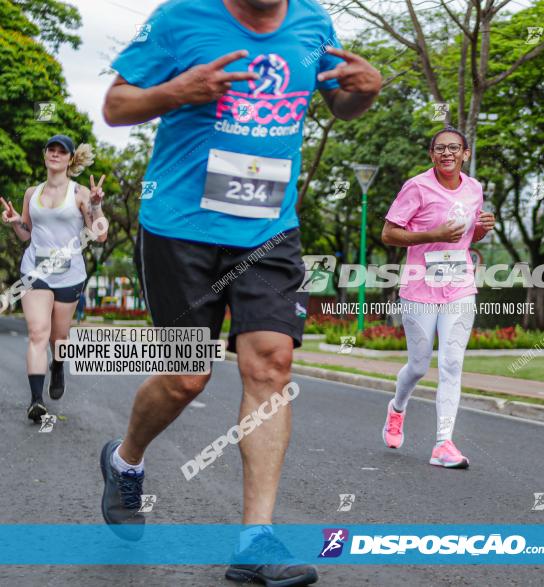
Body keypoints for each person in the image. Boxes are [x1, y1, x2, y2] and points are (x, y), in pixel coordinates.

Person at [100, 0, 381, 584]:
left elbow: (342, 103)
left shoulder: (315, 23)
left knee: (272, 364)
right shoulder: (181, 19)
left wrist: (365, 90)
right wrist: (178, 90)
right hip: (181, 225)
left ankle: (257, 539)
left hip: (268, 226)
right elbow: (115, 105)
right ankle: (126, 460)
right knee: (186, 376)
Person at [380, 127, 495, 469]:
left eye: (454, 148)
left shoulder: (475, 189)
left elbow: (465, 236)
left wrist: (481, 230)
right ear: (431, 155)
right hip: (419, 285)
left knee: (452, 362)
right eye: (440, 148)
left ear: (466, 154)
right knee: (418, 365)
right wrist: (433, 234)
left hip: (459, 284)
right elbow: (388, 234)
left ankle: (443, 443)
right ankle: (397, 408)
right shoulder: (416, 187)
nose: (448, 153)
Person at [0, 135, 107, 422]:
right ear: (45, 154)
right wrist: (14, 224)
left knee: (58, 338)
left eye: (62, 151)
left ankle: (57, 364)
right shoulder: (31, 193)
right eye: (51, 149)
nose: (56, 154)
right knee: (37, 333)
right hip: (35, 271)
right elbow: (27, 233)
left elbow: (100, 235)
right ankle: (36, 400)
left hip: (69, 274)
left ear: (70, 159)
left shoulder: (80, 193)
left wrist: (95, 205)